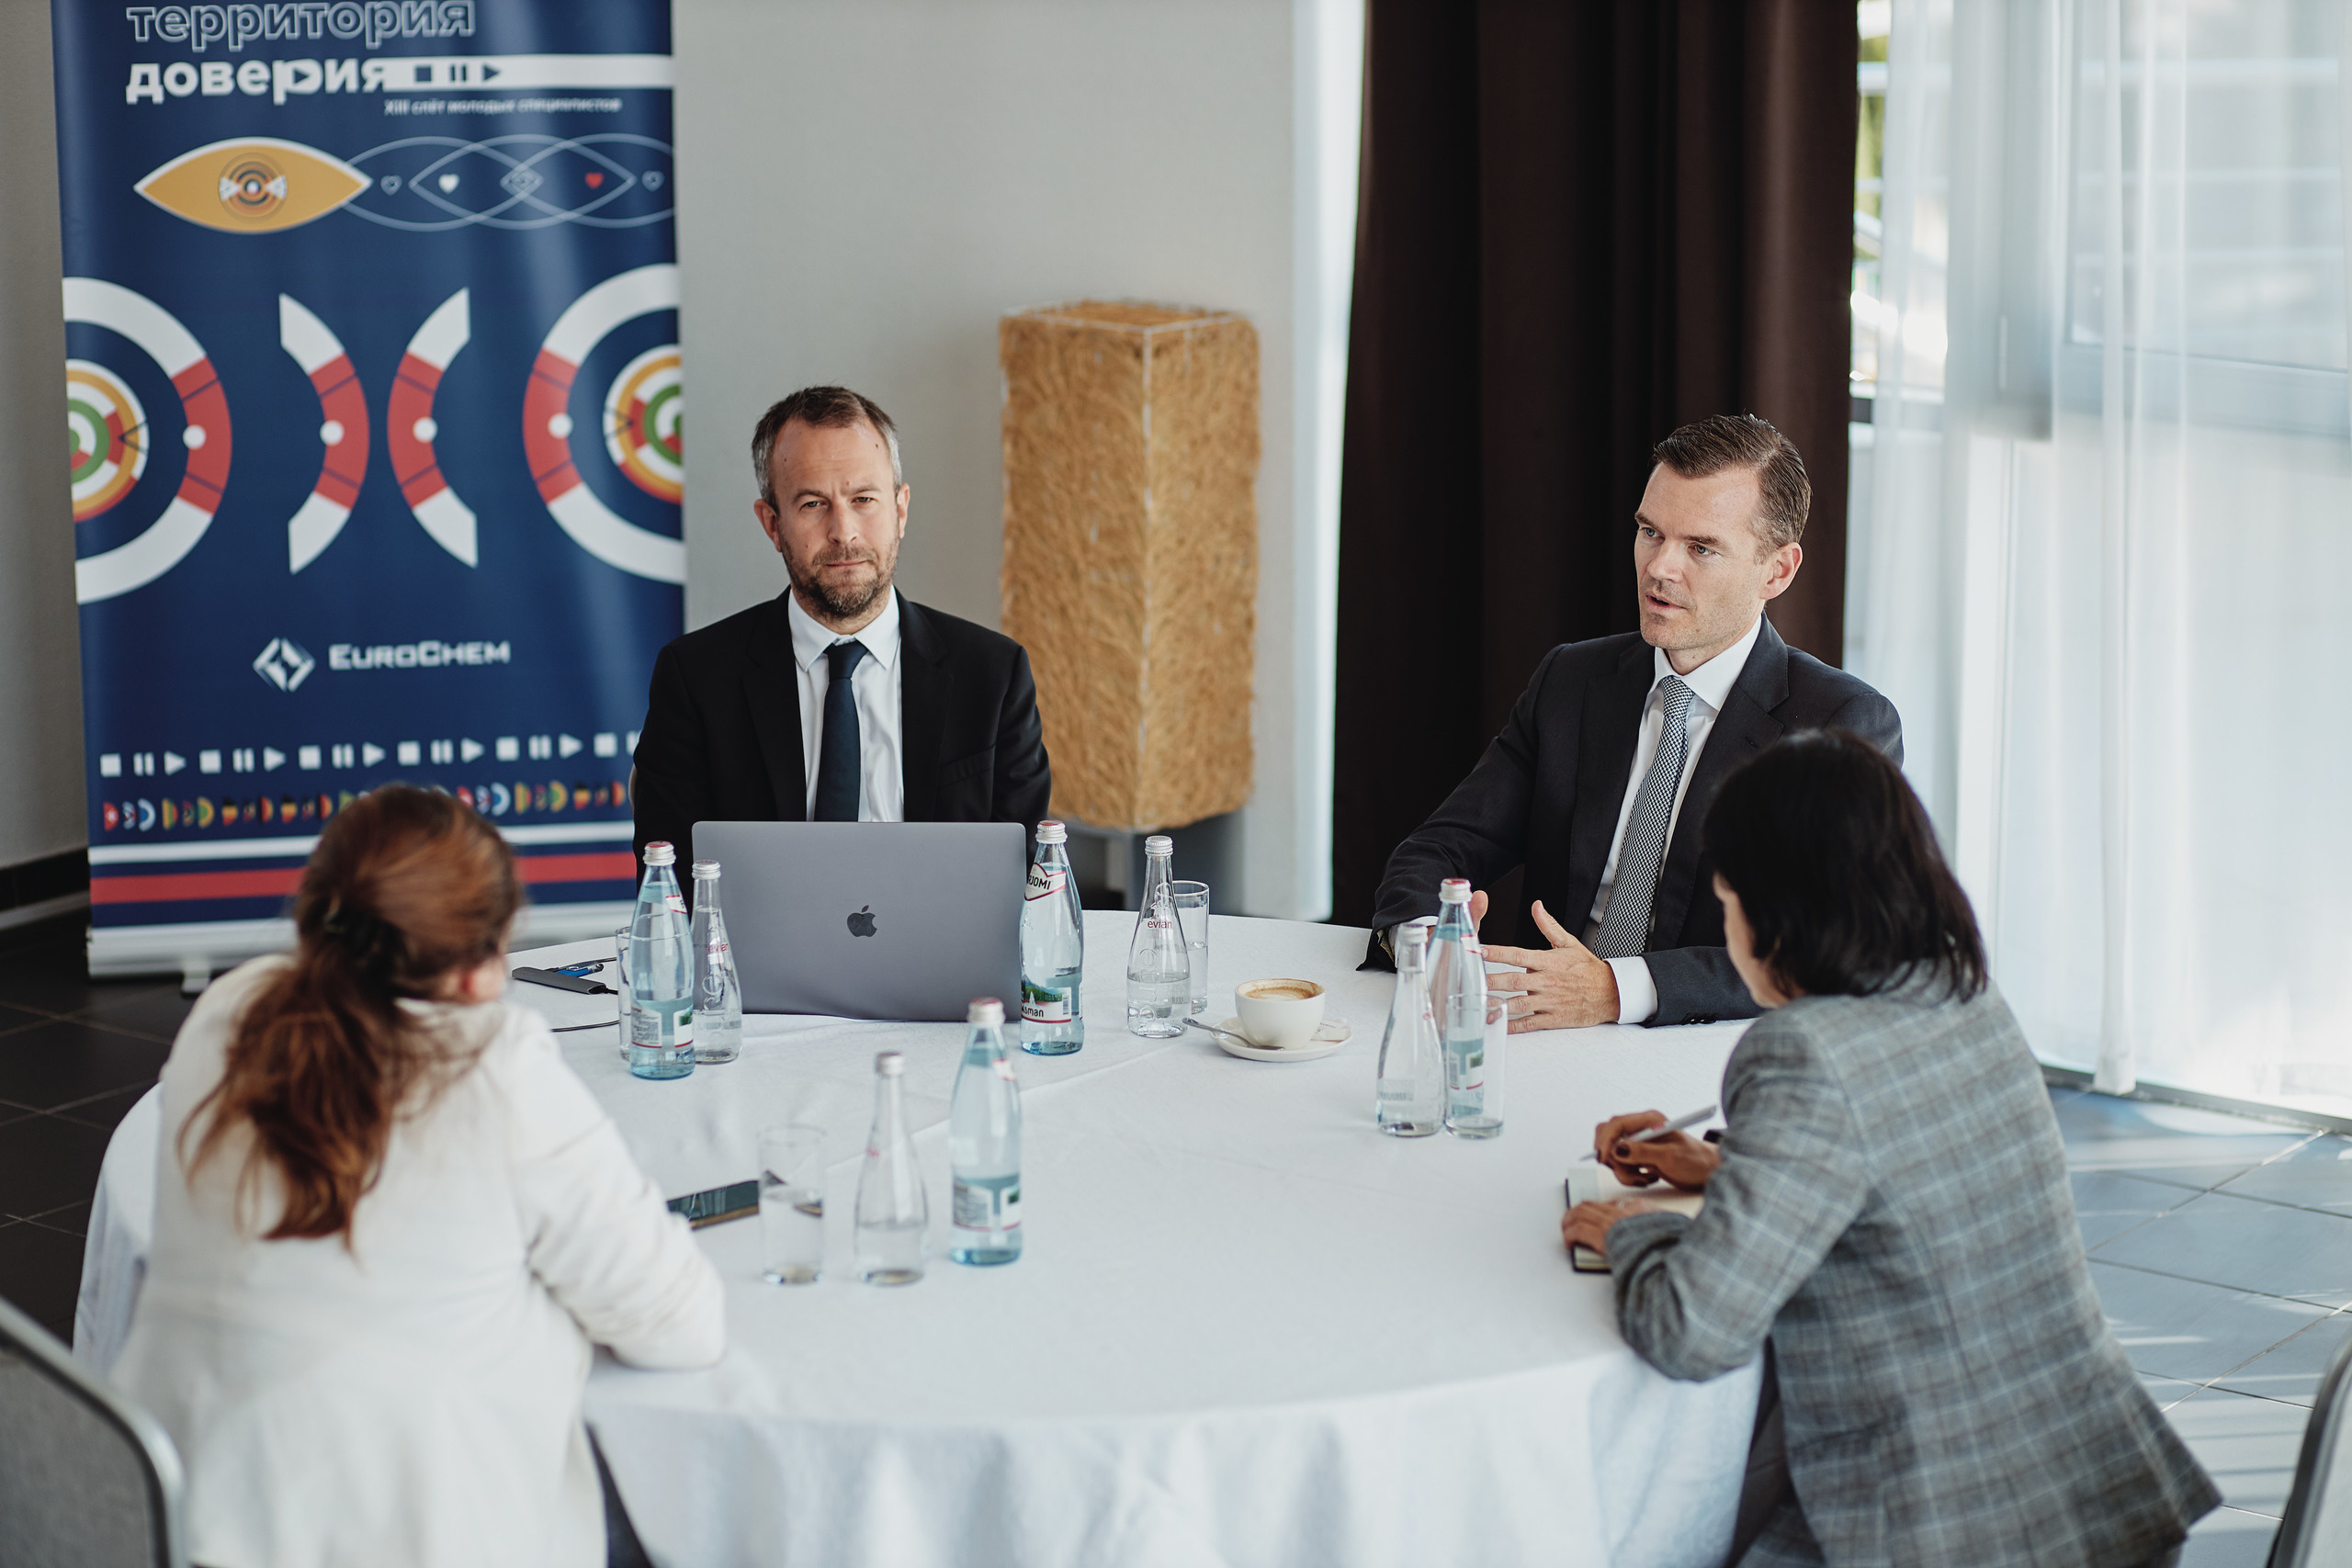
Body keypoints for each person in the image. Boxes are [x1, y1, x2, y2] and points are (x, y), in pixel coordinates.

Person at [1564, 731, 2218, 1568]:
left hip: (1943, 1526)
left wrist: (1631, 1229)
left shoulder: (1802, 1053)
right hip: (2097, 1500)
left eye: (1729, 902)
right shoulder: (1962, 990)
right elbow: (1906, 1179)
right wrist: (1722, 1166)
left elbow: (1691, 1330)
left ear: (1778, 910)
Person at [113, 786, 723, 1568]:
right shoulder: (495, 1069)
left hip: (177, 1515)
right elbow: (682, 1324)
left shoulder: (227, 1009)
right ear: (475, 977)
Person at [1367, 413, 1901, 1029]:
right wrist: (1429, 943)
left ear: (1776, 571)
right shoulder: (1571, 679)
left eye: (1701, 548)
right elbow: (1440, 848)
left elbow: (1824, 946)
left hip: (1701, 1053)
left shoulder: (1842, 723)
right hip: (1537, 1035)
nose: (1659, 568)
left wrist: (1616, 989)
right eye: (1651, 532)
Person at [631, 385, 1052, 870]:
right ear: (772, 524)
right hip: (764, 926)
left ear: (900, 510)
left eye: (864, 499)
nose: (844, 532)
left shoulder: (994, 675)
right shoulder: (696, 679)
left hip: (947, 925)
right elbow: (668, 883)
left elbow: (1029, 875)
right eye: (813, 504)